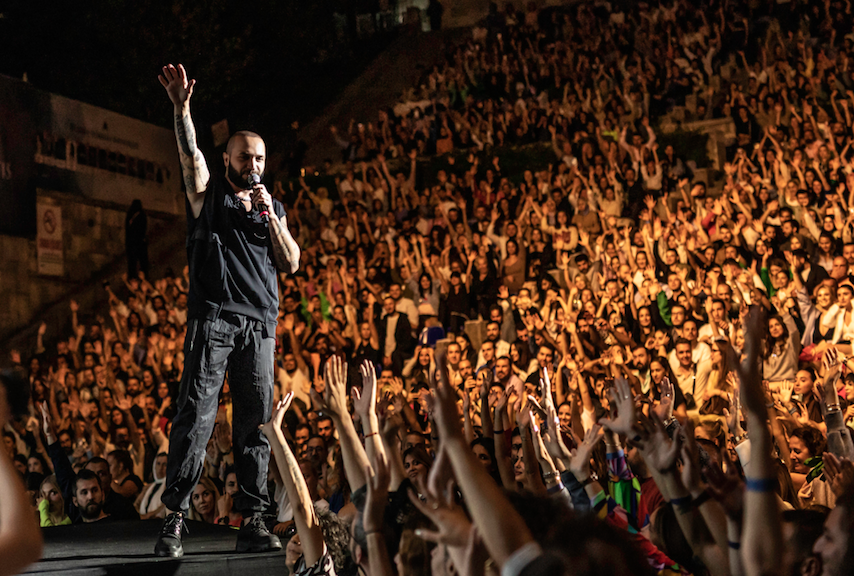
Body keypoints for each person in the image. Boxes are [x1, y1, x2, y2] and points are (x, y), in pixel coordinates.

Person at [154, 63, 300, 558]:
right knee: (196, 415)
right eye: (244, 156)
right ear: (228, 158)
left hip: (259, 324)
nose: (253, 163)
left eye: (259, 156)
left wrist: (269, 215)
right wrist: (182, 108)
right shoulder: (208, 193)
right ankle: (175, 517)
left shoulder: (272, 207)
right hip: (215, 319)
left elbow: (293, 261)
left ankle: (254, 519)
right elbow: (189, 155)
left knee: (256, 422)